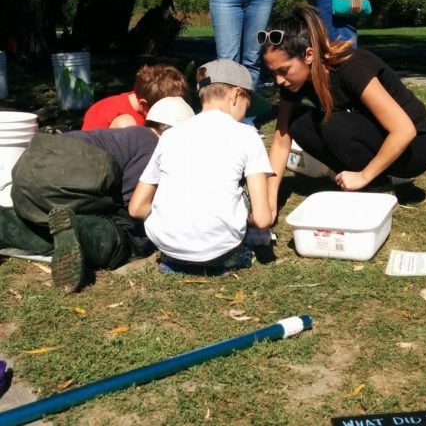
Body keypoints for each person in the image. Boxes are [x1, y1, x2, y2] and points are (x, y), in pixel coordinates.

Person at [259, 4, 426, 221]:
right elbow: (280, 139)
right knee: (298, 123)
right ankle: (363, 178)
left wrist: (363, 176)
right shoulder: (293, 81)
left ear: (308, 55)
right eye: (273, 72)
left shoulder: (352, 66)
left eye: (283, 71)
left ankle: (376, 185)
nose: (278, 80)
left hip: (414, 148)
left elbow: (404, 130)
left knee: (333, 125)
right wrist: (268, 202)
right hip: (375, 137)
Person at [0, 97, 195, 292]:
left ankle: (5, 224)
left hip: (27, 169)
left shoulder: (132, 134)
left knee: (42, 219)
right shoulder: (153, 148)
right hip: (58, 180)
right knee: (127, 233)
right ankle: (79, 233)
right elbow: (131, 205)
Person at [129, 59, 273, 274]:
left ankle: (175, 260)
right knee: (240, 192)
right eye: (247, 105)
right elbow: (263, 219)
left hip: (168, 247)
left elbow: (136, 208)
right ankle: (230, 257)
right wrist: (247, 218)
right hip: (220, 251)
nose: (246, 114)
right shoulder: (247, 135)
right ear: (236, 94)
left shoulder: (170, 135)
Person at [81, 64, 190, 130]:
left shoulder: (149, 104)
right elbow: (86, 153)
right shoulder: (103, 113)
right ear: (143, 104)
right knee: (126, 125)